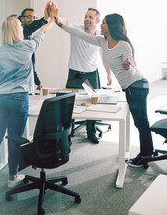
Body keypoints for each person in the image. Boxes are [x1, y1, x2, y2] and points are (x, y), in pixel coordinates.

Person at [56, 13, 154, 168]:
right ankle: (148, 152)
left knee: (141, 122)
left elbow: (133, 70)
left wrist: (128, 67)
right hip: (130, 87)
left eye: (104, 23)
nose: (100, 25)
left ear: (112, 26)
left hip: (137, 85)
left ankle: (146, 154)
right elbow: (80, 34)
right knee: (140, 122)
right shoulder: (102, 41)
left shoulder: (124, 45)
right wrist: (60, 24)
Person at [0, 2, 57, 191]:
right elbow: (44, 31)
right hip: (18, 98)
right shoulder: (28, 46)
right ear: (19, 29)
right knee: (15, 138)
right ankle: (12, 177)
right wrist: (51, 19)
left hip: (0, 97)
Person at [64, 8, 112, 144]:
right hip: (74, 74)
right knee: (69, 104)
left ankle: (91, 132)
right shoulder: (76, 29)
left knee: (93, 104)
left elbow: (104, 57)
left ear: (97, 21)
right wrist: (56, 17)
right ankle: (68, 133)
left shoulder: (101, 37)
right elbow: (64, 22)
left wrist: (108, 73)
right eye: (86, 16)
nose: (86, 19)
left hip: (90, 75)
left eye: (90, 17)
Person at [18, 5, 50, 92]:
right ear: (22, 18)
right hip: (19, 83)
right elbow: (29, 28)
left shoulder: (27, 36)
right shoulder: (20, 31)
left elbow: (31, 64)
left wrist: (38, 82)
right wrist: (45, 19)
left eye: (34, 17)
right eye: (29, 17)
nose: (32, 20)